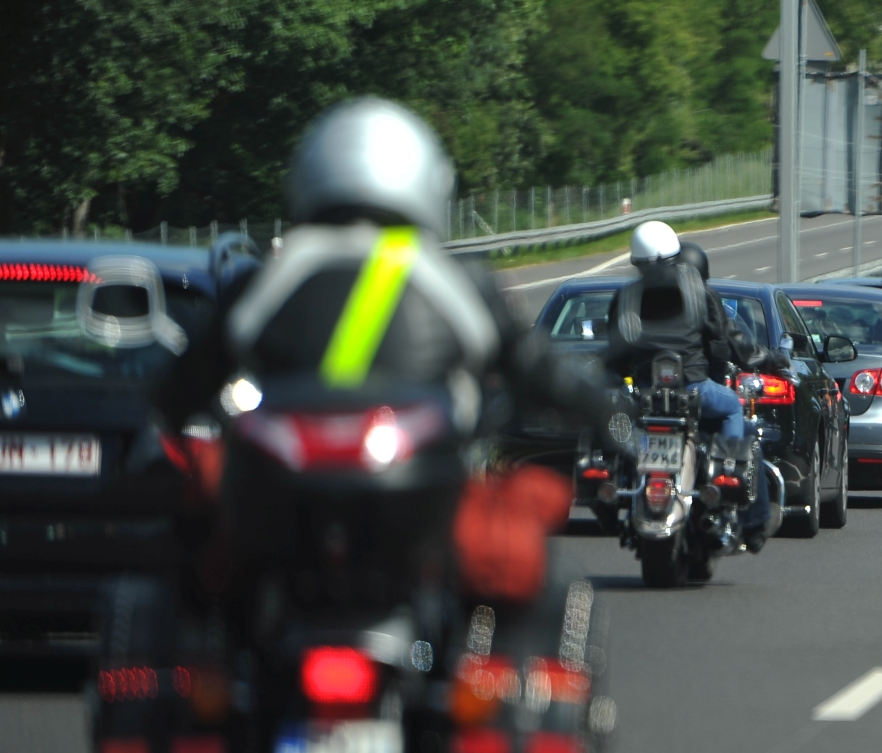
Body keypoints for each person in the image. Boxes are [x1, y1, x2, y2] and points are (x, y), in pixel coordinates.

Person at [154, 96, 617, 499]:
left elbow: (180, 389)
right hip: (418, 535)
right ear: (425, 178)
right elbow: (538, 370)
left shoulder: (268, 277)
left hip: (281, 543)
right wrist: (608, 413)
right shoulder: (452, 280)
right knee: (556, 593)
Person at [602, 220, 787, 549]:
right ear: (676, 253)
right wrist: (769, 358)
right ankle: (726, 474)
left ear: (636, 261)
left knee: (618, 425)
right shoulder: (699, 291)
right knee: (731, 406)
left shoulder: (626, 296)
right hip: (694, 390)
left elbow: (616, 353)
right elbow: (725, 344)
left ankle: (624, 480)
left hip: (646, 396)